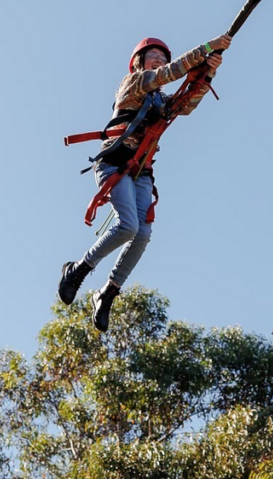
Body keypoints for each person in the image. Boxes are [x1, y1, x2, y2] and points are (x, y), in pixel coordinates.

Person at [59, 33, 233, 331]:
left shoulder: (159, 100)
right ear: (139, 62)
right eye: (154, 56)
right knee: (128, 226)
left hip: (140, 171)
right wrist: (207, 47)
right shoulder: (135, 82)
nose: (160, 61)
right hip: (116, 163)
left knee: (142, 233)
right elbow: (171, 73)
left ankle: (108, 292)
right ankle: (78, 269)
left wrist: (208, 73)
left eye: (163, 58)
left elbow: (185, 105)